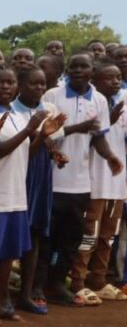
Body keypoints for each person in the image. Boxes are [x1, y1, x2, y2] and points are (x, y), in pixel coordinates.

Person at [0, 67, 52, 324]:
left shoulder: (16, 115)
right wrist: (29, 129)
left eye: (10, 82)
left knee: (7, 255)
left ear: (16, 85)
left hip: (16, 195)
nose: (6, 87)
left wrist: (41, 135)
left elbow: (24, 154)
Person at [42, 53, 120, 306]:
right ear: (67, 69)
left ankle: (57, 283)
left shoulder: (98, 99)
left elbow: (97, 136)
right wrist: (74, 131)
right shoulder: (53, 95)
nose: (78, 70)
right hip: (53, 180)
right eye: (73, 66)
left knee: (71, 239)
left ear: (91, 70)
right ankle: (37, 285)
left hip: (80, 183)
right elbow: (44, 135)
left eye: (83, 66)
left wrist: (110, 157)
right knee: (47, 237)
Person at [69, 60, 127, 301]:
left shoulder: (121, 102)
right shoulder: (95, 104)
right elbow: (93, 140)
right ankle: (78, 280)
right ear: (95, 80)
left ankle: (99, 279)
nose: (115, 81)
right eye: (109, 78)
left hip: (116, 182)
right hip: (94, 180)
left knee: (108, 235)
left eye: (117, 77)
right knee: (89, 235)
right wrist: (109, 121)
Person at [14, 66, 65, 314]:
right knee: (15, 231)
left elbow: (50, 141)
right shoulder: (13, 110)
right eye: (34, 84)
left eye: (42, 84)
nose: (39, 88)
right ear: (20, 85)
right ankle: (3, 294)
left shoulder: (48, 109)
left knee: (34, 232)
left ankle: (28, 291)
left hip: (42, 171)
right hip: (19, 172)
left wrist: (56, 152)